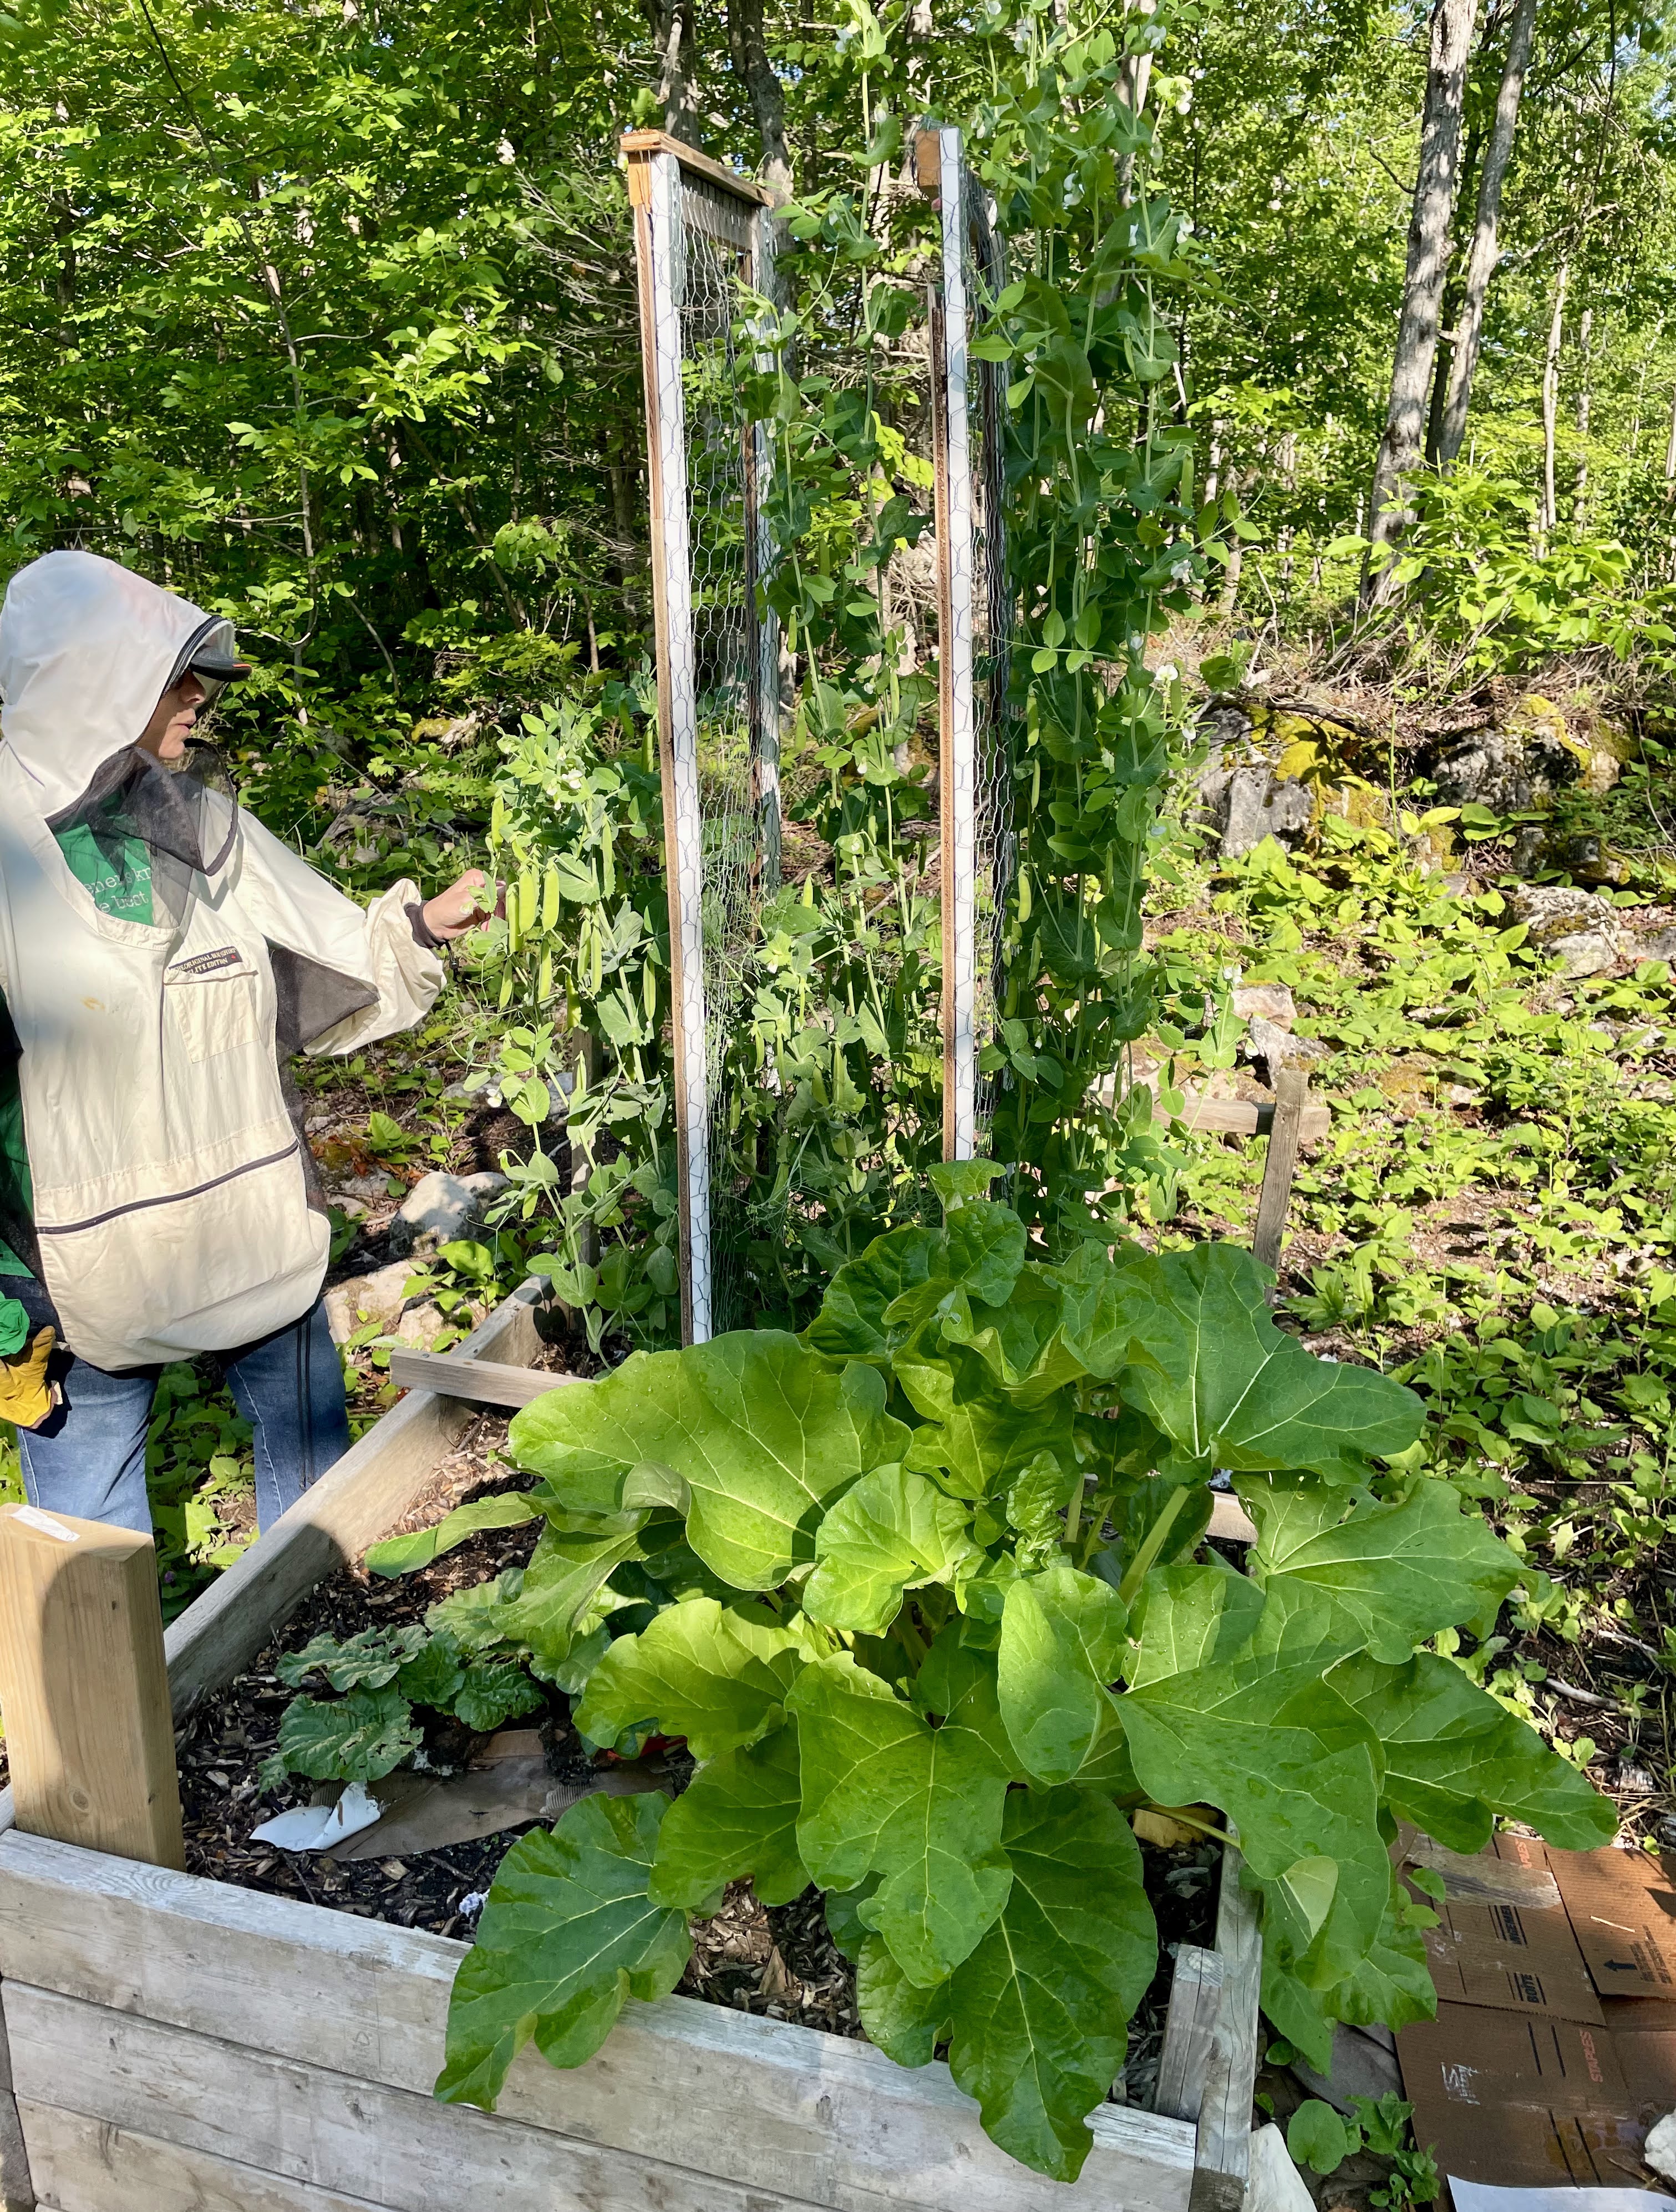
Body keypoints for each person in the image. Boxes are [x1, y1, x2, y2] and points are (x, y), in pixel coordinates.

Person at [0, 549, 496, 1537]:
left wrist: (424, 928)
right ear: (94, 683)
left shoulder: (209, 826)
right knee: (87, 1560)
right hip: (75, 1275)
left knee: (312, 1523)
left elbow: (337, 955)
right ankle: (119, 1696)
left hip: (252, 1239)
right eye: (170, 675)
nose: (198, 697)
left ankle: (320, 1677)